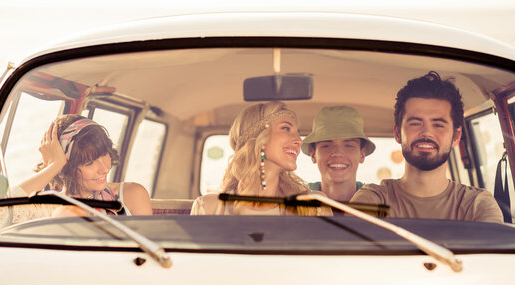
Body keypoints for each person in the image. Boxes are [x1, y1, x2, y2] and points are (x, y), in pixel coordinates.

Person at [350, 71, 503, 223]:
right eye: (416, 123)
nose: (426, 133)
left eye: (438, 125)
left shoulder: (477, 205)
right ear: (398, 133)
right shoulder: (372, 200)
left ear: (456, 137)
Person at [191, 101, 331, 216]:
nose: (299, 140)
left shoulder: (313, 206)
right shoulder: (208, 208)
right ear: (259, 137)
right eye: (286, 128)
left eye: (298, 133)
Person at [4, 114, 152, 222]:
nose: (104, 169)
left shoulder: (131, 194)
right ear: (68, 166)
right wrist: (55, 165)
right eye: (90, 163)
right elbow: (3, 212)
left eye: (104, 154)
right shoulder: (51, 205)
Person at [301, 105, 375, 202]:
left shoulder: (377, 200)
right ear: (313, 154)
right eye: (326, 145)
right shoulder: (297, 199)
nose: (337, 152)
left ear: (362, 154)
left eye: (348, 146)